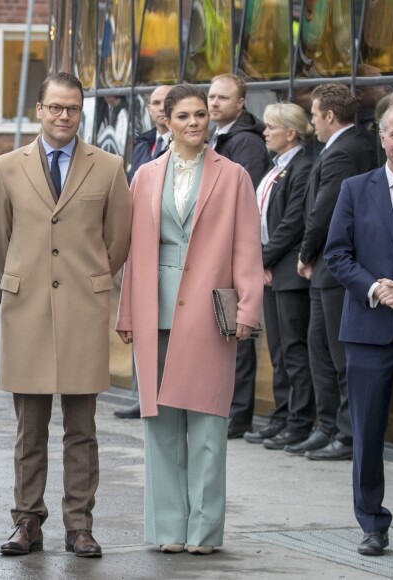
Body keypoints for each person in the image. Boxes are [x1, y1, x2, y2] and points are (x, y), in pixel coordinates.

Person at [0, 72, 132, 558]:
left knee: (82, 428)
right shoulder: (7, 167)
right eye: (55, 108)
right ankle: (26, 521)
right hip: (26, 310)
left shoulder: (109, 167)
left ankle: (79, 524)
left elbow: (117, 241)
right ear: (40, 110)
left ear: (81, 111)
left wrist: (88, 281)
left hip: (83, 310)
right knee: (29, 428)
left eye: (72, 108)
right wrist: (22, 279)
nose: (63, 116)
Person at [116, 84, 263, 554]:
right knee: (159, 426)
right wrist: (127, 311)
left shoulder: (234, 175)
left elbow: (247, 247)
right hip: (153, 309)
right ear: (167, 121)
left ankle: (203, 532)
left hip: (208, 312)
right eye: (183, 116)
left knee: (207, 425)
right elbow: (135, 251)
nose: (194, 122)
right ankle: (167, 531)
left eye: (201, 114)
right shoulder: (144, 175)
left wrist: (248, 309)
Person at [324, 96, 393, 556]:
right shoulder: (355, 188)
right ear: (382, 136)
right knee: (368, 432)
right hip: (369, 329)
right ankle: (373, 524)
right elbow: (336, 254)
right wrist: (375, 288)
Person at [292, 84, 376, 458]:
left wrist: (305, 252)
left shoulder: (345, 150)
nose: (311, 122)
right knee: (320, 351)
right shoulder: (341, 146)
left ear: (329, 116)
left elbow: (324, 211)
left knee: (338, 356)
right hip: (326, 270)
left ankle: (345, 434)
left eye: (313, 115)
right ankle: (328, 427)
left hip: (335, 268)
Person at [243, 103, 316, 447]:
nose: (265, 132)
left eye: (271, 127)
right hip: (271, 269)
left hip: (286, 271)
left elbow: (292, 224)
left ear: (291, 133)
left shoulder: (302, 167)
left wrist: (262, 260)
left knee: (294, 350)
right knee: (278, 351)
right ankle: (281, 415)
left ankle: (299, 421)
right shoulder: (277, 168)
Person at [207, 73, 270, 439]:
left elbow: (244, 204)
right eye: (211, 96)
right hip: (218, 251)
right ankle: (226, 407)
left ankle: (240, 413)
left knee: (238, 334)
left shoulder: (245, 142)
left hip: (234, 251)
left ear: (241, 102)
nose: (214, 103)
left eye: (223, 98)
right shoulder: (219, 136)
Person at [115, 84, 171, 420]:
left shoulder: (181, 148)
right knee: (141, 321)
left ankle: (162, 395)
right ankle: (143, 394)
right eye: (155, 103)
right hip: (139, 240)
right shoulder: (144, 142)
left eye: (167, 103)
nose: (161, 109)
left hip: (166, 245)